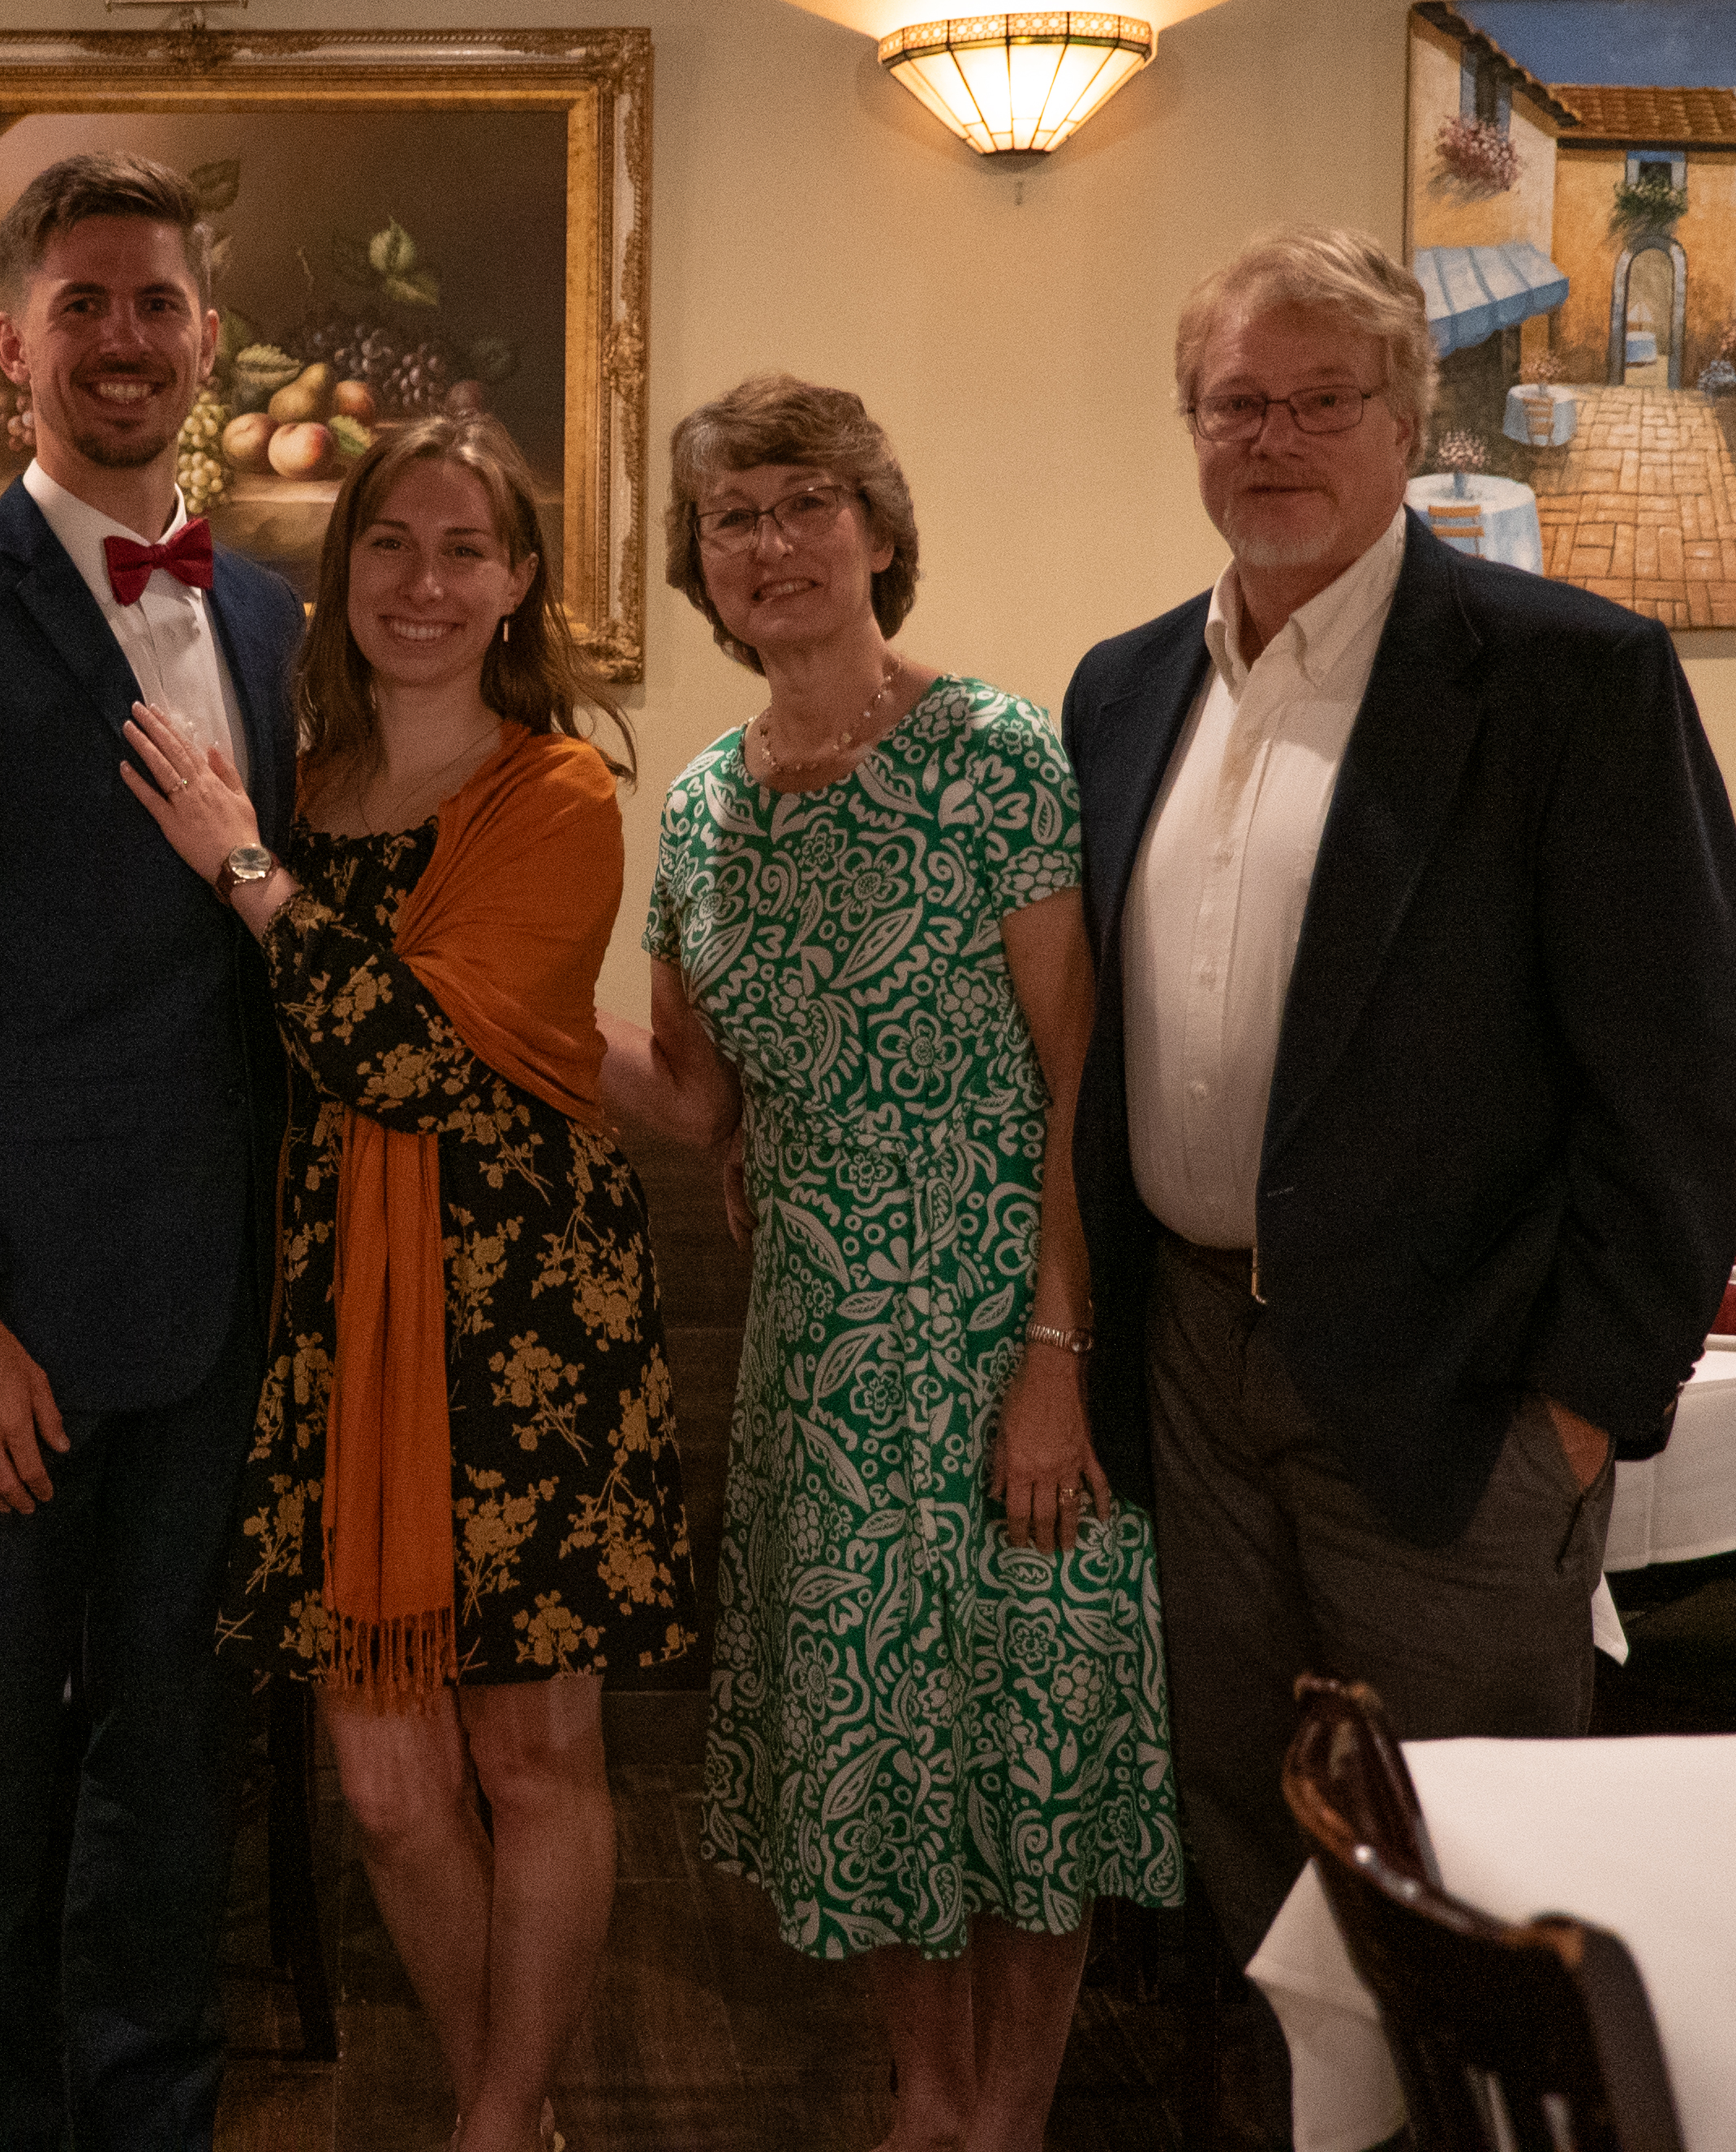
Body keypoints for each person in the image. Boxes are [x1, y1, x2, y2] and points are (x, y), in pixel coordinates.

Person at [1061, 226, 1736, 1978]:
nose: (1271, 440)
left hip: (1458, 1392)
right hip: (1192, 1376)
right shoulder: (1118, 686)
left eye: (1320, 401)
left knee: (1468, 1866)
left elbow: (1676, 1069)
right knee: (1247, 1838)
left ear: (1405, 417)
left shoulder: (1564, 678)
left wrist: (1588, 1406)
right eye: (1235, 404)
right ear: (1187, 422)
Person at [607, 373, 1180, 2152]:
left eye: (800, 505)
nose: (767, 545)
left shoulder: (995, 755)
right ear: (696, 568)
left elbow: (1080, 1084)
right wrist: (477, 1008)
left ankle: (1002, 2119)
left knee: (1019, 1752)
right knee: (864, 1754)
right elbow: (699, 1095)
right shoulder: (697, 807)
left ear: (875, 531)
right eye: (729, 519)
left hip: (1004, 1327)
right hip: (814, 1358)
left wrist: (1052, 1355)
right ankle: (923, 2103)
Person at [121, 412, 693, 2152]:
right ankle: (500, 2115)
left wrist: (236, 871)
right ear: (338, 572)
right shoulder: (285, 778)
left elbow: (411, 1060)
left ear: (518, 585)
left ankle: (498, 2120)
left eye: (463, 550)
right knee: (383, 1791)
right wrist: (255, 848)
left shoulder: (554, 792)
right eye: (390, 546)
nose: (423, 582)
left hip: (527, 1326)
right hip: (340, 1327)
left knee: (530, 1766)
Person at [0, 152, 303, 2152]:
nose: (123, 338)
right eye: (82, 304)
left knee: (177, 1776)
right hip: (1, 1331)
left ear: (202, 339)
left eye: (157, 302)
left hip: (223, 1314)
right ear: (12, 346)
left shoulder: (269, 613)